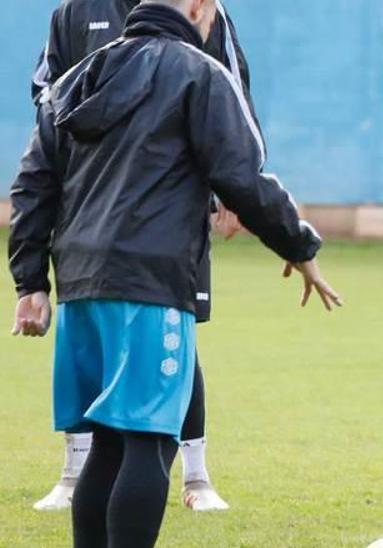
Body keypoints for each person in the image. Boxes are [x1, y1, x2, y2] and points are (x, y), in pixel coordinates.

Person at [8, 0, 342, 545]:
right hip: (151, 283)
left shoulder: (74, 80)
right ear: (199, 8)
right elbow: (242, 175)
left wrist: (31, 282)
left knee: (110, 442)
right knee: (148, 441)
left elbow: (32, 183)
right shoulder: (199, 73)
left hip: (80, 285)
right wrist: (297, 243)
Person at [27, 0, 255, 512]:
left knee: (178, 330)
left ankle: (196, 477)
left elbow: (234, 96)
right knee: (102, 345)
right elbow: (47, 94)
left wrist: (234, 194)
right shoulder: (73, 12)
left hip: (169, 216)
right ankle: (73, 471)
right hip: (92, 208)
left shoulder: (203, 14)